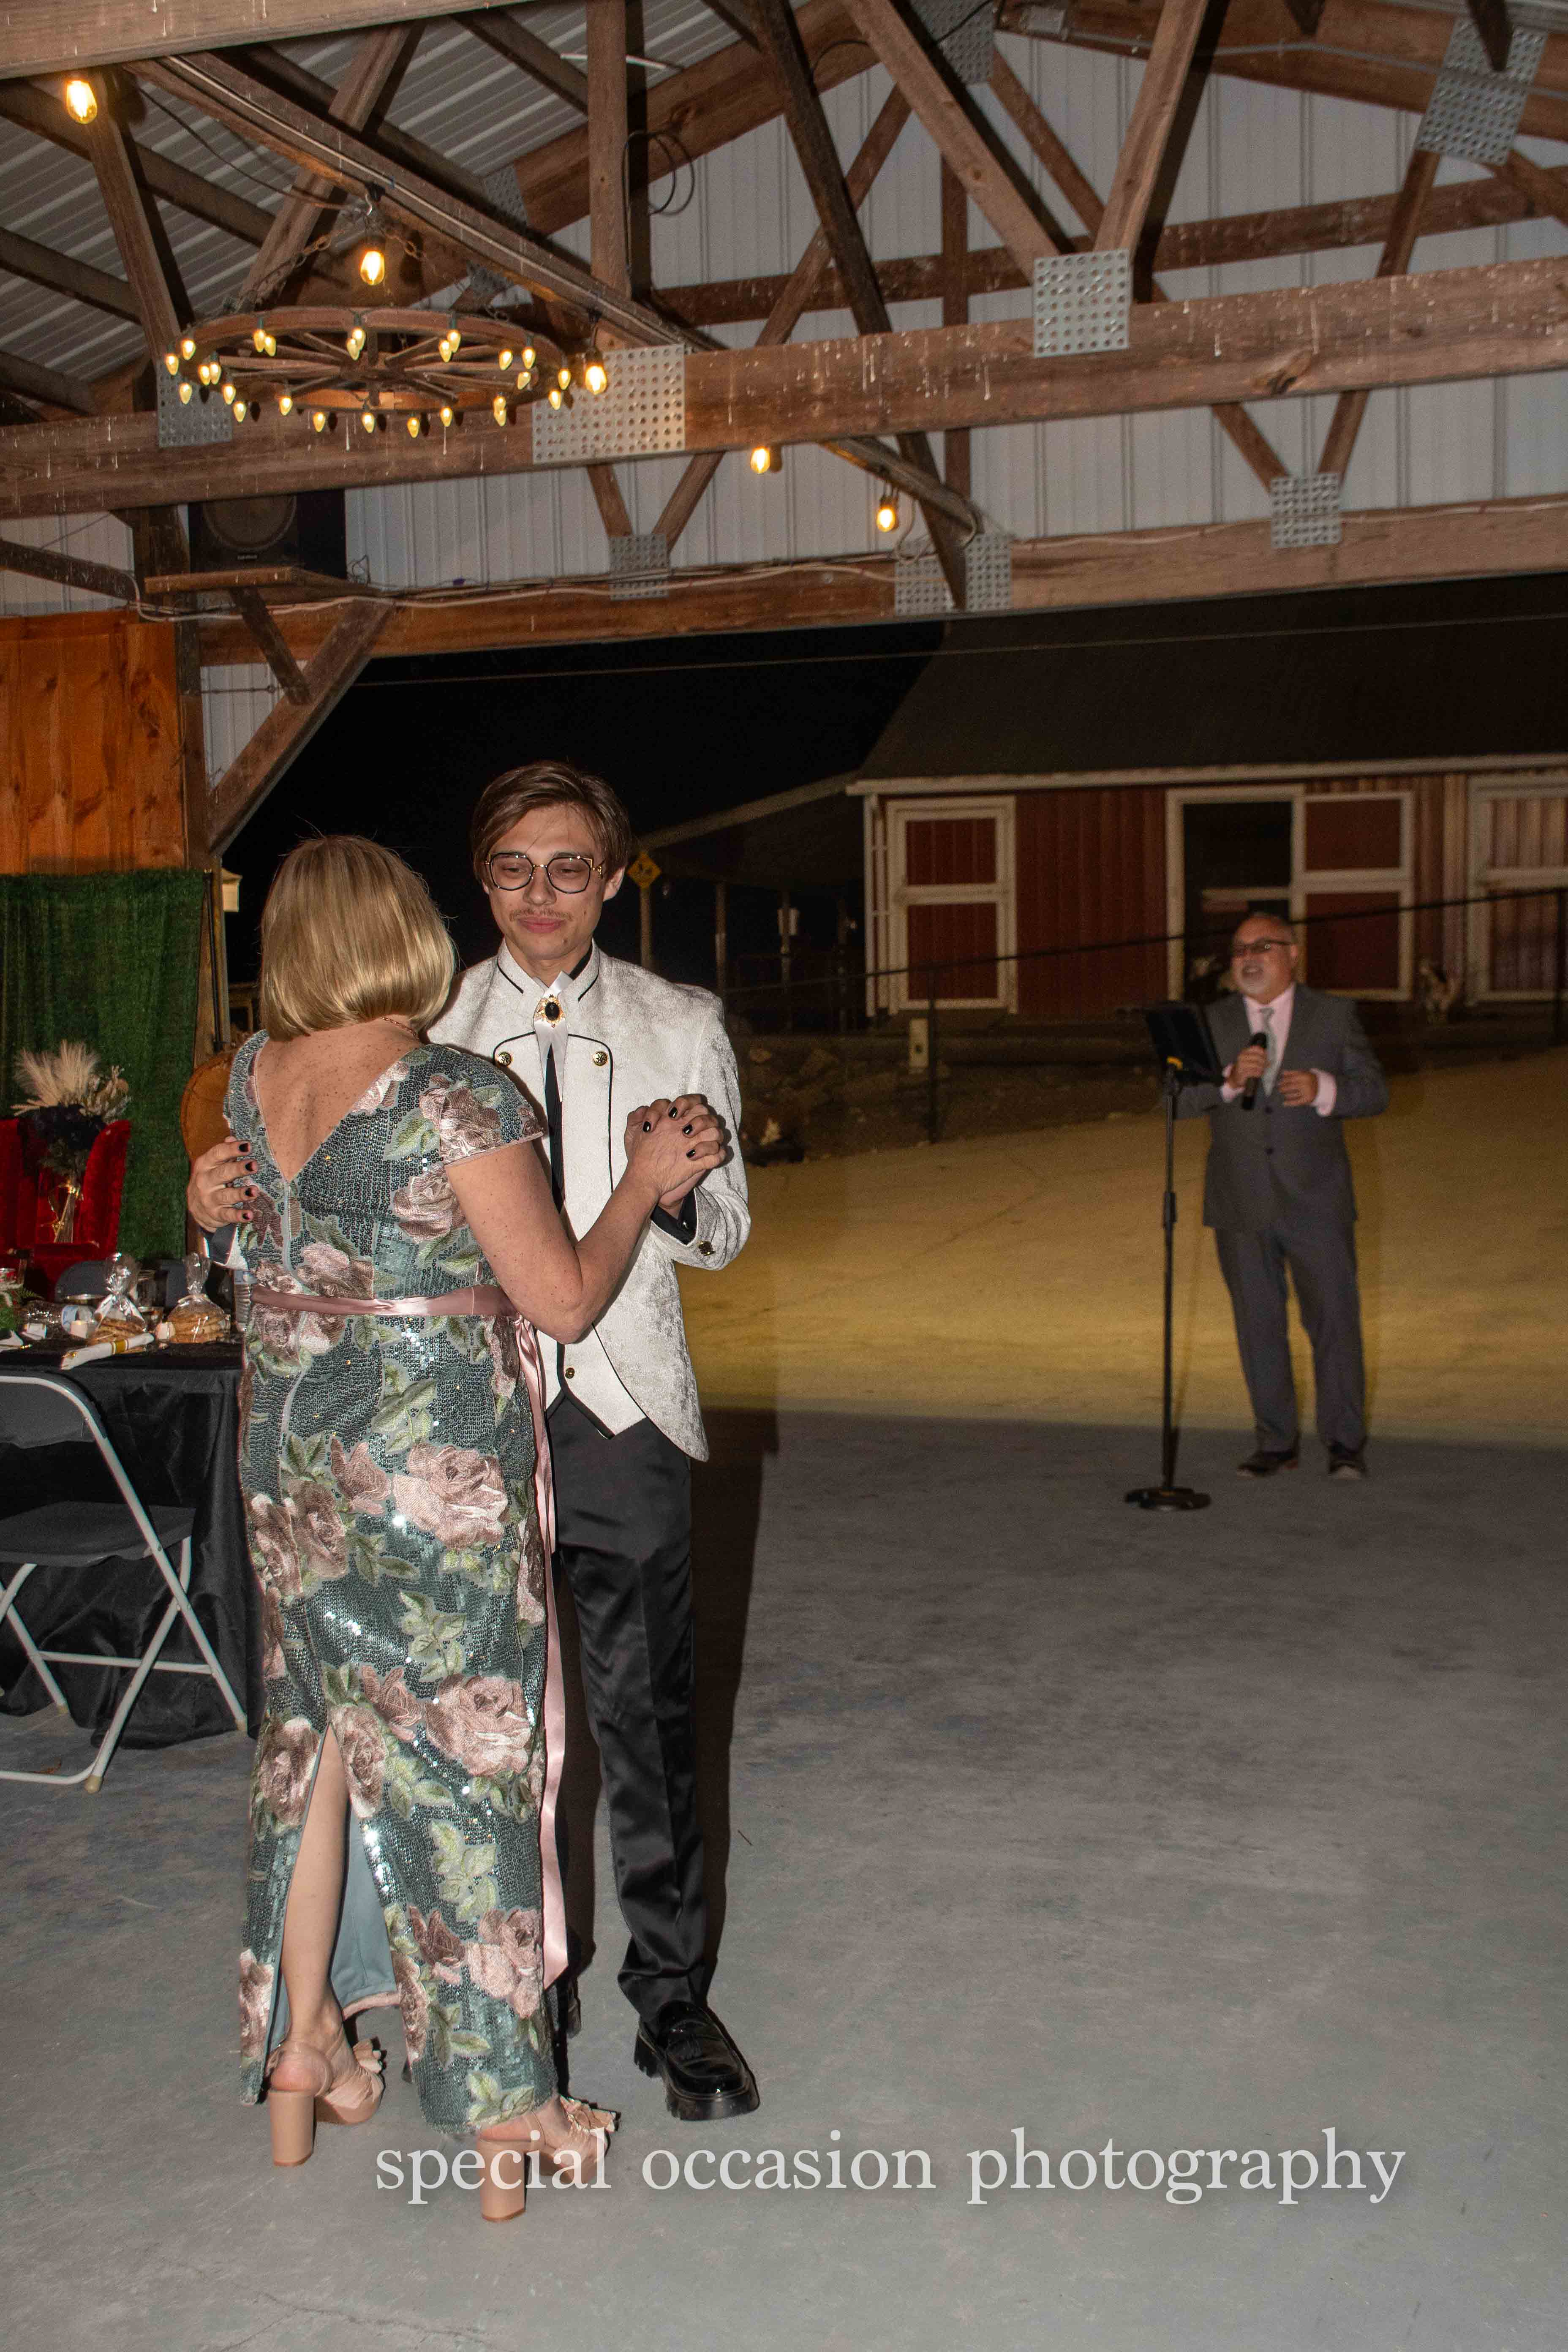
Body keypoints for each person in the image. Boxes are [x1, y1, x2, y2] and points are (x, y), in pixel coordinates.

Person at [189, 834, 723, 2222]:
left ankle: (304, 2045)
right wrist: (641, 1179)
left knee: (311, 1749)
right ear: (405, 934)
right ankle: (507, 2108)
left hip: (293, 1460)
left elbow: (253, 1245)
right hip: (428, 1479)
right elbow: (560, 1297)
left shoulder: (253, 1078)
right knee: (467, 1759)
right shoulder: (455, 1092)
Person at [432, 759, 758, 2124]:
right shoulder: (431, 1023)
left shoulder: (680, 1022)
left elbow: (727, 1235)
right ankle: (524, 1980)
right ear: (481, 878)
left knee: (650, 1722)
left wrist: (675, 1189)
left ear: (614, 878)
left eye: (570, 868)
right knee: (487, 1723)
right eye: (514, 868)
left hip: (624, 1415)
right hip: (469, 1416)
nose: (541, 895)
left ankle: (672, 1996)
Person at [1177, 911, 1389, 1480]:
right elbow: (1175, 1100)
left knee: (1334, 1322)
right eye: (1240, 949)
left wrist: (1326, 1088)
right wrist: (1226, 1082)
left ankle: (1344, 1444)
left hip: (1316, 1198)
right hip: (1240, 1200)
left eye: (1263, 946)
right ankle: (1276, 1442)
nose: (1249, 957)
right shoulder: (1212, 1021)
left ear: (1293, 954)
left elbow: (1375, 1092)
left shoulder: (1334, 1015)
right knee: (1258, 1324)